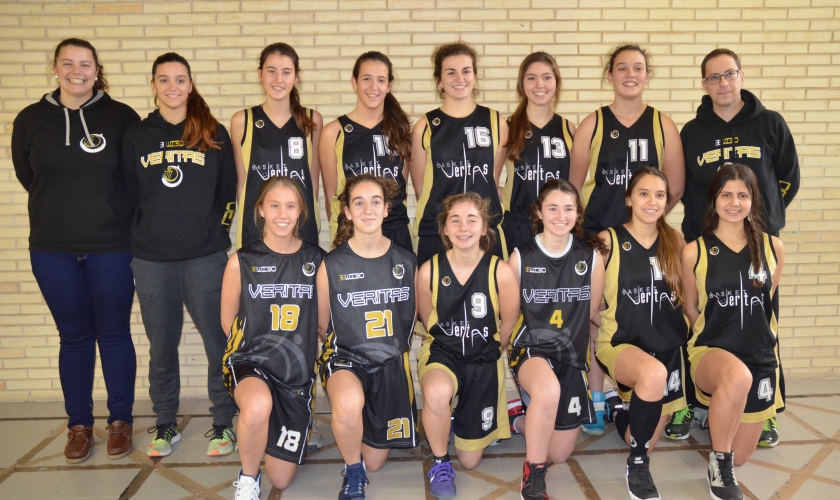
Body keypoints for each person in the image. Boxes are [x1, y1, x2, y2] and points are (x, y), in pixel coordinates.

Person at [11, 38, 140, 463]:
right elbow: (28, 175)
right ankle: (79, 426)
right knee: (74, 337)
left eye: (85, 64)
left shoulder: (121, 117)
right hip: (53, 249)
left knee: (115, 334)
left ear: (97, 70)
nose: (76, 71)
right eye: (67, 63)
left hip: (112, 248)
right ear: (55, 68)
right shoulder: (30, 120)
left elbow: (133, 179)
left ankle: (120, 421)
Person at [676, 48, 799, 447]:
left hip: (756, 249)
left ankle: (765, 410)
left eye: (729, 74)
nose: (723, 83)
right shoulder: (692, 132)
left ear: (741, 77)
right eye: (714, 77)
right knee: (702, 323)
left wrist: (763, 221)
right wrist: (710, 230)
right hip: (709, 248)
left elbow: (788, 179)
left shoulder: (770, 123)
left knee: (761, 326)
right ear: (704, 84)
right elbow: (687, 189)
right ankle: (697, 402)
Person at [122, 52, 238, 458]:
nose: (172, 87)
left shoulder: (212, 131)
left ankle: (223, 422)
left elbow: (228, 190)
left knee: (218, 342)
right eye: (164, 79)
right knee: (161, 346)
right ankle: (165, 423)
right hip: (151, 261)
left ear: (190, 85)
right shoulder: (137, 136)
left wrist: (215, 233)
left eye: (180, 79)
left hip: (205, 258)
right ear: (153, 85)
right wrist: (144, 235)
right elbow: (128, 192)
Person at [569, 44, 685, 437]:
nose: (630, 74)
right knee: (598, 317)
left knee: (639, 313)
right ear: (610, 75)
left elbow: (675, 185)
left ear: (647, 75)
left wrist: (646, 221)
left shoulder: (663, 124)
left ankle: (637, 393)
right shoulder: (593, 124)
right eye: (622, 68)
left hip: (645, 238)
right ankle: (596, 396)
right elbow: (574, 186)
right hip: (599, 234)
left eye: (638, 68)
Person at [683, 164, 784, 500]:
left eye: (743, 195)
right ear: (714, 200)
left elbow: (765, 302)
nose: (734, 202)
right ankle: (718, 463)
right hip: (711, 351)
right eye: (726, 194)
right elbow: (691, 307)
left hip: (759, 356)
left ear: (753, 201)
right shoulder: (694, 250)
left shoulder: (773, 248)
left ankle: (720, 416)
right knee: (736, 378)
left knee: (741, 455)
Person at [221, 177, 326, 500]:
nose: (283, 214)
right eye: (275, 205)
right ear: (261, 210)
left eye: (291, 206)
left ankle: (268, 427)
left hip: (295, 374)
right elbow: (228, 321)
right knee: (257, 405)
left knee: (281, 480)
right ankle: (248, 478)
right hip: (250, 361)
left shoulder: (317, 260)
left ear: (301, 212)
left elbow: (323, 324)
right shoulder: (241, 261)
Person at [316, 175, 418, 500]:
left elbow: (411, 318)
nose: (367, 209)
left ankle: (357, 427)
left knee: (375, 460)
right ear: (347, 211)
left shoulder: (406, 261)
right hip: (346, 358)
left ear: (387, 209)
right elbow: (323, 323)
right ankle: (352, 470)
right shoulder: (331, 264)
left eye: (375, 201)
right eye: (358, 202)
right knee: (348, 404)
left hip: (388, 364)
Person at [594, 167, 689, 500]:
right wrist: (606, 326)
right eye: (644, 193)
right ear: (629, 199)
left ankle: (619, 410)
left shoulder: (675, 241)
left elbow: (688, 299)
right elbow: (590, 304)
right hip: (620, 344)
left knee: (641, 435)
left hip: (666, 347)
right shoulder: (608, 241)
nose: (652, 201)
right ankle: (637, 466)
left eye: (660, 195)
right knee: (652, 376)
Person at [417, 193, 520, 499]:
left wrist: (492, 349)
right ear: (445, 229)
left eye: (472, 220)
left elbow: (509, 322)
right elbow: (428, 320)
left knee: (470, 460)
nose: (463, 227)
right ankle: (439, 461)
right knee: (437, 392)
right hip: (443, 353)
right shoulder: (429, 271)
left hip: (482, 357)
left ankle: (451, 417)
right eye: (455, 220)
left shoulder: (500, 271)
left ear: (484, 228)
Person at [507, 180, 605, 499]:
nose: (561, 216)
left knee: (560, 454)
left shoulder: (590, 257)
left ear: (577, 213)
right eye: (552, 208)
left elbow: (591, 310)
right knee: (547, 390)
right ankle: (533, 474)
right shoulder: (521, 257)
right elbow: (509, 313)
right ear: (539, 212)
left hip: (571, 355)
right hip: (531, 349)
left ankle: (519, 419)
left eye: (568, 209)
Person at [410, 41, 508, 264]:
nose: (459, 78)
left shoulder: (495, 122)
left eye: (466, 71)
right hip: (437, 231)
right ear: (439, 80)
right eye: (451, 72)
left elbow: (491, 178)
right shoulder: (425, 126)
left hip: (485, 231)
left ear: (475, 76)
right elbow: (422, 188)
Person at [230, 43, 323, 250]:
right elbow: (242, 183)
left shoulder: (311, 119)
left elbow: (312, 181)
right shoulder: (242, 121)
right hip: (257, 227)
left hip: (300, 225)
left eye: (286, 72)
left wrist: (301, 216)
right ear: (260, 75)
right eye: (271, 71)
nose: (278, 79)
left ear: (296, 77)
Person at [321, 51, 413, 251]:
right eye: (366, 79)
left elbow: (400, 187)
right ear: (354, 82)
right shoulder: (333, 132)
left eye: (381, 80)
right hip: (352, 233)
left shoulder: (400, 130)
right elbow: (331, 198)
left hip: (396, 233)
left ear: (389, 86)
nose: (373, 87)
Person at [501, 52, 575, 255]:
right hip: (517, 225)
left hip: (558, 224)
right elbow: (489, 179)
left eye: (547, 77)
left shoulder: (568, 129)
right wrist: (508, 195)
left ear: (556, 83)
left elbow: (573, 183)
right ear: (522, 84)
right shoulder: (508, 128)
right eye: (531, 78)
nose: (539, 84)